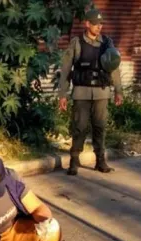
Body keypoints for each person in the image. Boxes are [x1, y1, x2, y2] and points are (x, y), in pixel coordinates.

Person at [57, 8, 123, 176]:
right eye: (95, 24)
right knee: (79, 126)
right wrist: (62, 95)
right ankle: (74, 160)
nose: (99, 27)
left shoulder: (107, 43)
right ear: (87, 24)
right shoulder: (76, 42)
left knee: (100, 126)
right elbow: (65, 69)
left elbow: (114, 68)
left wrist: (118, 91)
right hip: (81, 92)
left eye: (100, 24)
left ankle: (100, 161)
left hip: (101, 92)